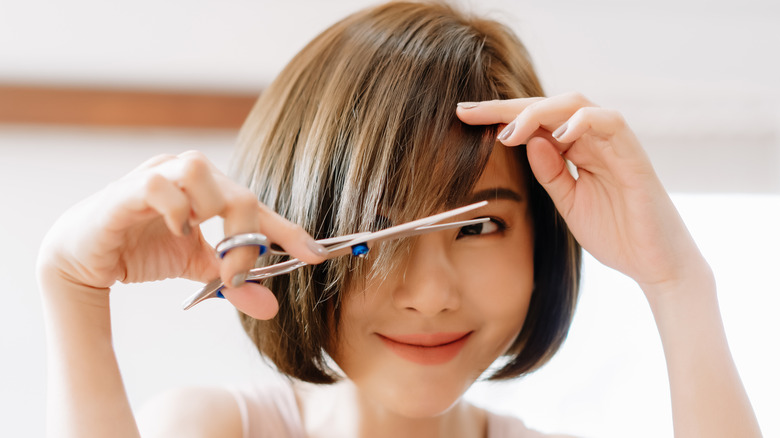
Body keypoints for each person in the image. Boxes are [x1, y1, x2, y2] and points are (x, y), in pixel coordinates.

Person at [37, 1, 761, 437]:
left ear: (541, 242)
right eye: (376, 229)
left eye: (478, 226)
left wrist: (678, 282)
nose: (429, 293)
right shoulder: (212, 430)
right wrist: (70, 285)